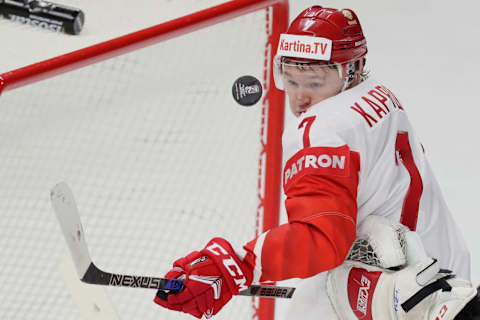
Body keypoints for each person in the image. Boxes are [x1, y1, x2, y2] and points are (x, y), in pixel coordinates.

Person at [154, 6, 479, 319]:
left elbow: (323, 239)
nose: (300, 98)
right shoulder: (379, 93)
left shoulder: (321, 129)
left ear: (351, 70)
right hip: (446, 277)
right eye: (292, 81)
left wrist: (238, 263)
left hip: (394, 295)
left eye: (314, 83)